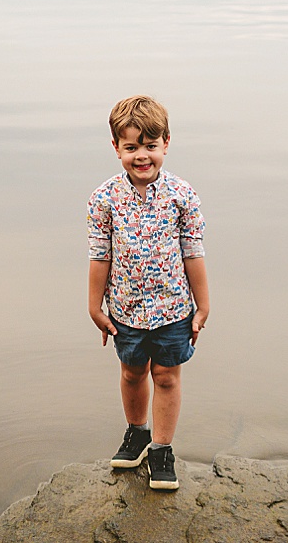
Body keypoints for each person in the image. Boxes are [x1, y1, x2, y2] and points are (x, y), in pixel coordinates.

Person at [87, 95, 211, 491]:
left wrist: (203, 304)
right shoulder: (104, 198)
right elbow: (99, 255)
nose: (142, 156)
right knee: (131, 372)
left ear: (167, 143)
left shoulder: (182, 195)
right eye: (131, 147)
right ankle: (137, 433)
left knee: (167, 376)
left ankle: (161, 449)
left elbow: (193, 251)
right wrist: (94, 305)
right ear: (116, 148)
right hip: (125, 310)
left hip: (173, 309)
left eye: (150, 146)